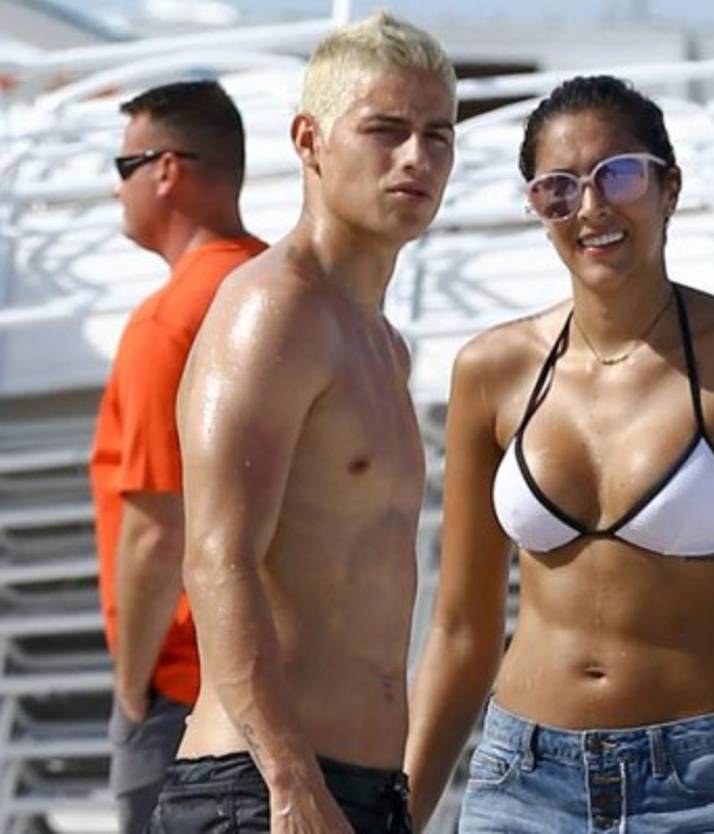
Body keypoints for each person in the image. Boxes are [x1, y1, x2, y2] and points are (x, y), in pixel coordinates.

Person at [405, 75, 714, 834]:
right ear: (538, 209)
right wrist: (401, 812)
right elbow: (460, 632)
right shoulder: (491, 372)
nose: (592, 208)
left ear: (669, 188)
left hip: (697, 787)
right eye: (558, 189)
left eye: (618, 175)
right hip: (520, 779)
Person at [145, 12, 455, 834]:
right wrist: (291, 782)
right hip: (260, 789)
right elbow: (216, 560)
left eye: (438, 135)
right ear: (309, 140)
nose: (417, 157)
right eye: (385, 130)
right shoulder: (273, 311)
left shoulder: (382, 343)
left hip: (361, 792)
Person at [88, 79, 265, 834]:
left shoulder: (168, 321)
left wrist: (132, 696)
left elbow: (157, 528)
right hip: (298, 689)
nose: (116, 187)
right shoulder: (293, 294)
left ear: (167, 170)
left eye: (123, 165)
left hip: (190, 697)